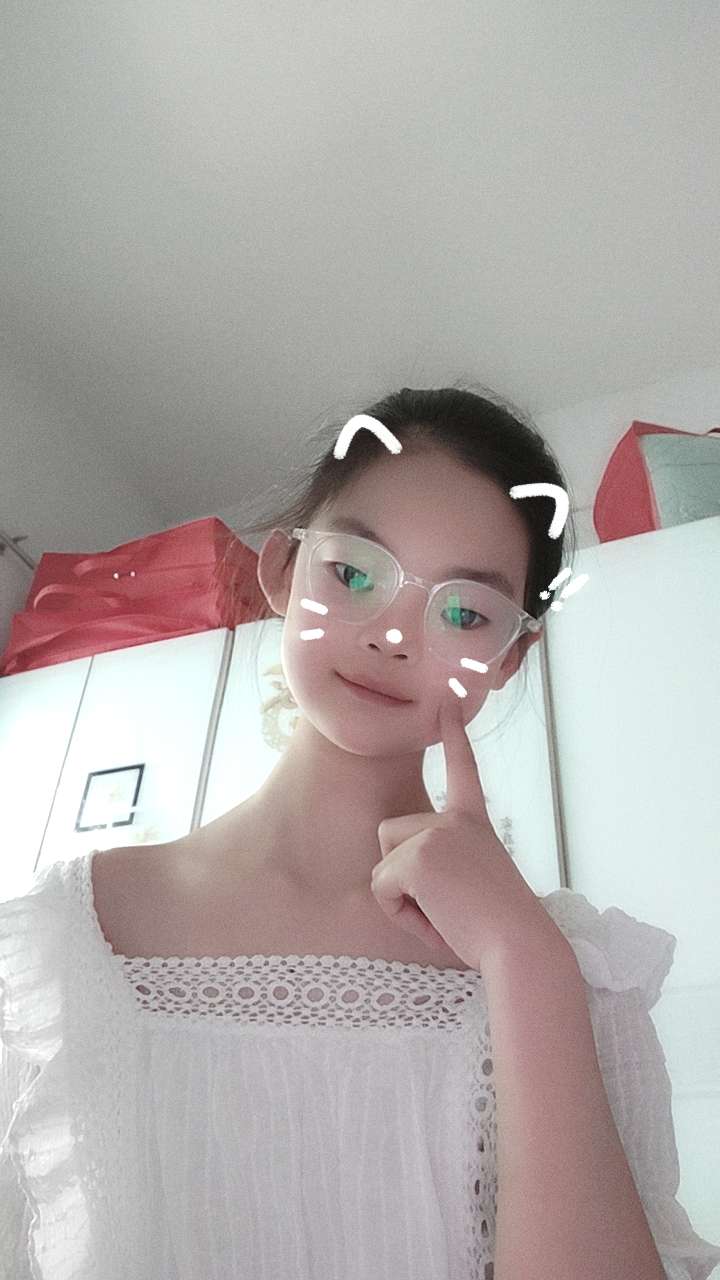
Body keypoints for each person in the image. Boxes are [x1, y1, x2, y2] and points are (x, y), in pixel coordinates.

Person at [2, 382, 719, 1279]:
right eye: (352, 574)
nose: (393, 636)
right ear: (280, 569)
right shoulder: (59, 942)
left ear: (510, 657)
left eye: (464, 612)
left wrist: (524, 959)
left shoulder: (574, 970)